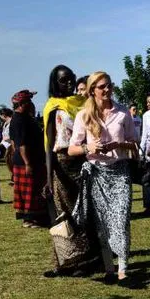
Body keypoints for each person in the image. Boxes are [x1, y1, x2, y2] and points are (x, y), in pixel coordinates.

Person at [69, 71, 140, 284]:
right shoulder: (84, 115)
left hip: (119, 171)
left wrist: (118, 144)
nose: (107, 90)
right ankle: (109, 269)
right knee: (102, 223)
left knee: (121, 219)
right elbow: (71, 149)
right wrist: (87, 147)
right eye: (102, 87)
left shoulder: (122, 113)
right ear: (92, 90)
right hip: (96, 172)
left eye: (109, 85)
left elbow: (135, 144)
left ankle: (123, 269)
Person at [42, 64, 96, 278]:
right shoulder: (52, 106)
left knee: (83, 211)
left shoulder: (84, 104)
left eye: (71, 78)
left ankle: (85, 261)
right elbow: (48, 143)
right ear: (55, 83)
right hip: (61, 163)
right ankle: (63, 262)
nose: (69, 83)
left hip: (83, 160)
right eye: (63, 80)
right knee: (63, 213)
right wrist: (48, 177)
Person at [9, 90, 49, 228]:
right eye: (28, 102)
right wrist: (27, 163)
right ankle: (28, 219)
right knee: (29, 191)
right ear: (21, 104)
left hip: (34, 159)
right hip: (26, 162)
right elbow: (21, 144)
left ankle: (38, 217)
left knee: (37, 189)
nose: (32, 104)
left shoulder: (26, 118)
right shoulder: (19, 120)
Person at [0, 107, 15, 184]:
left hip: (11, 145)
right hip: (4, 144)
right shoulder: (5, 123)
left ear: (4, 115)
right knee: (8, 161)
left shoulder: (12, 122)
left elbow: (13, 135)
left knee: (10, 161)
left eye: (0, 116)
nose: (0, 117)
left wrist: (6, 138)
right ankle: (13, 176)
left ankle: (14, 177)